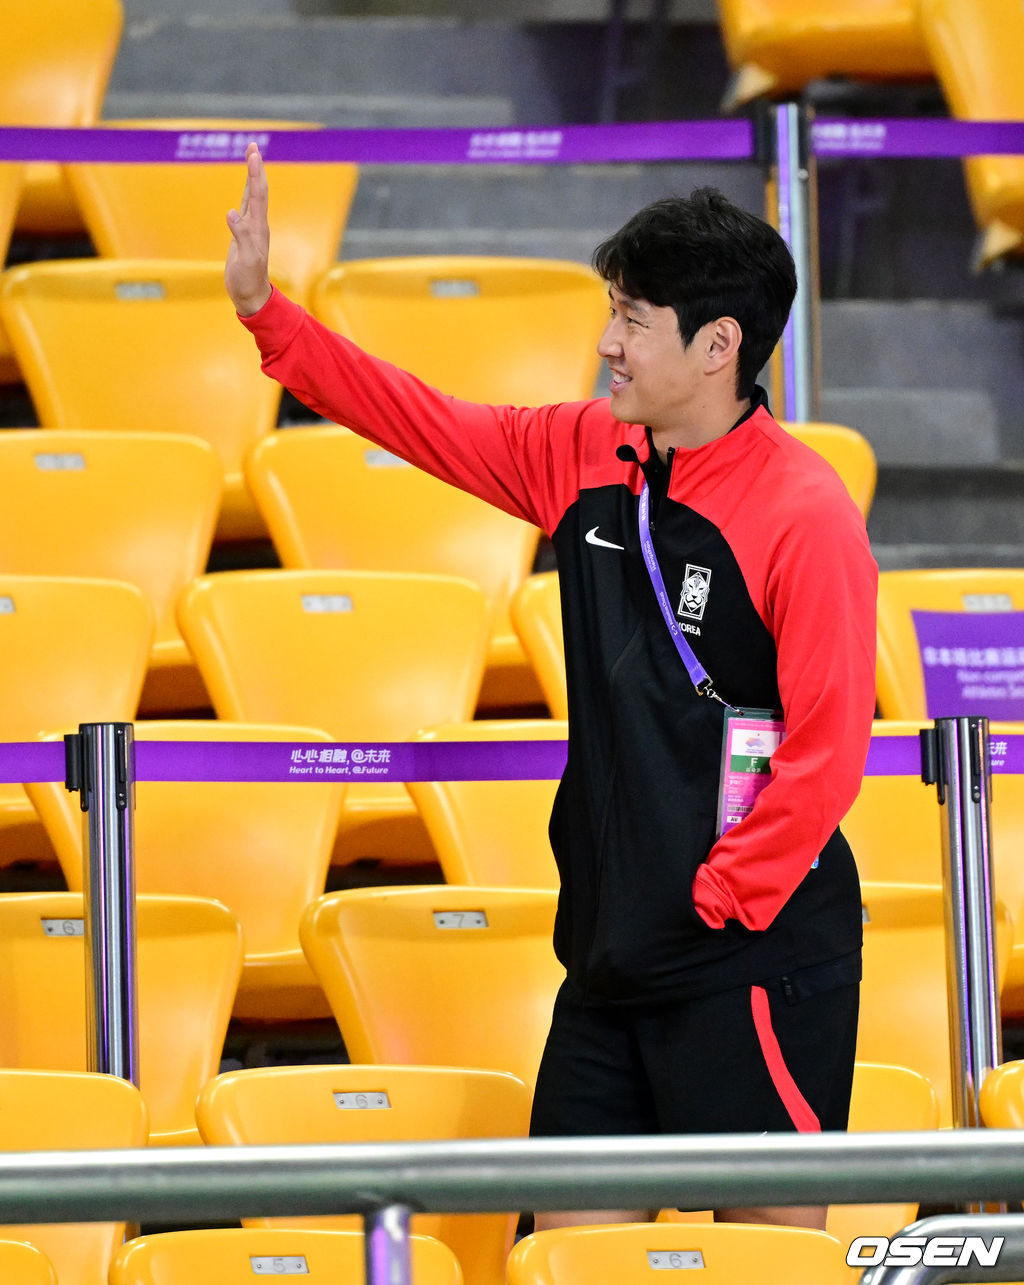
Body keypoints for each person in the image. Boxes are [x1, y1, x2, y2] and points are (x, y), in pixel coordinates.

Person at [226, 142, 878, 1232]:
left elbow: (825, 756)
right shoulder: (583, 455)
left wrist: (714, 899)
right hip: (610, 953)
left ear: (719, 346)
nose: (604, 343)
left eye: (632, 318)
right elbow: (421, 420)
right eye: (609, 310)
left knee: (769, 1265)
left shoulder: (804, 515)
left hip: (753, 954)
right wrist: (268, 318)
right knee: (565, 1258)